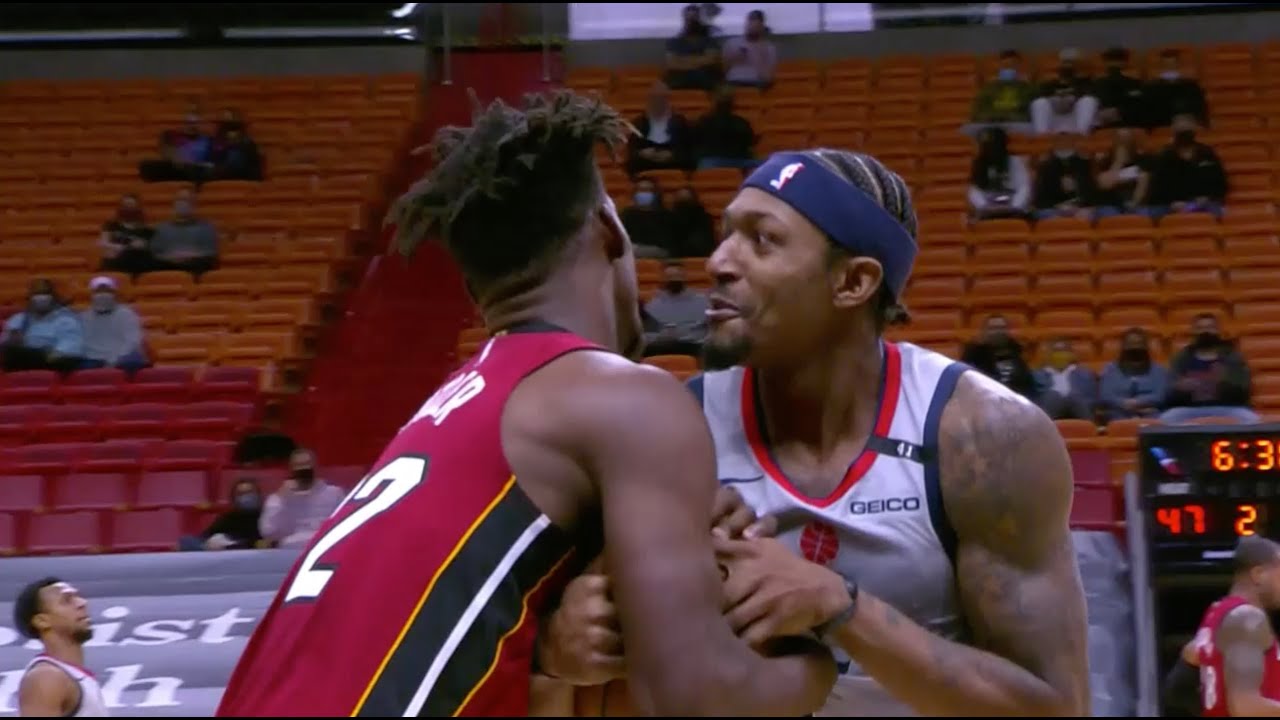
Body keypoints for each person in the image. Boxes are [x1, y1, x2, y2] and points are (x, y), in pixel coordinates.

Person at [214, 90, 835, 718]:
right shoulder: (625, 396)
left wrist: (547, 648)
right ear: (607, 230)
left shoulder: (453, 409)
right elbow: (694, 700)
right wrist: (816, 650)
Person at [540, 148, 1092, 716]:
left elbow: (1055, 709)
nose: (719, 263)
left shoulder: (983, 436)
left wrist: (841, 607)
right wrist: (561, 654)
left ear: (853, 281)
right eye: (726, 234)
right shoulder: (670, 431)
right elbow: (572, 683)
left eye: (762, 240)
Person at [1164, 535, 1280, 717]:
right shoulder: (1248, 619)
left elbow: (1176, 690)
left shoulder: (1217, 614)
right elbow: (1245, 707)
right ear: (1258, 574)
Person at [13, 578, 109, 717]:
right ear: (42, 621)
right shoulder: (47, 677)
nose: (82, 603)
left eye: (78, 596)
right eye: (67, 600)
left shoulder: (71, 676)